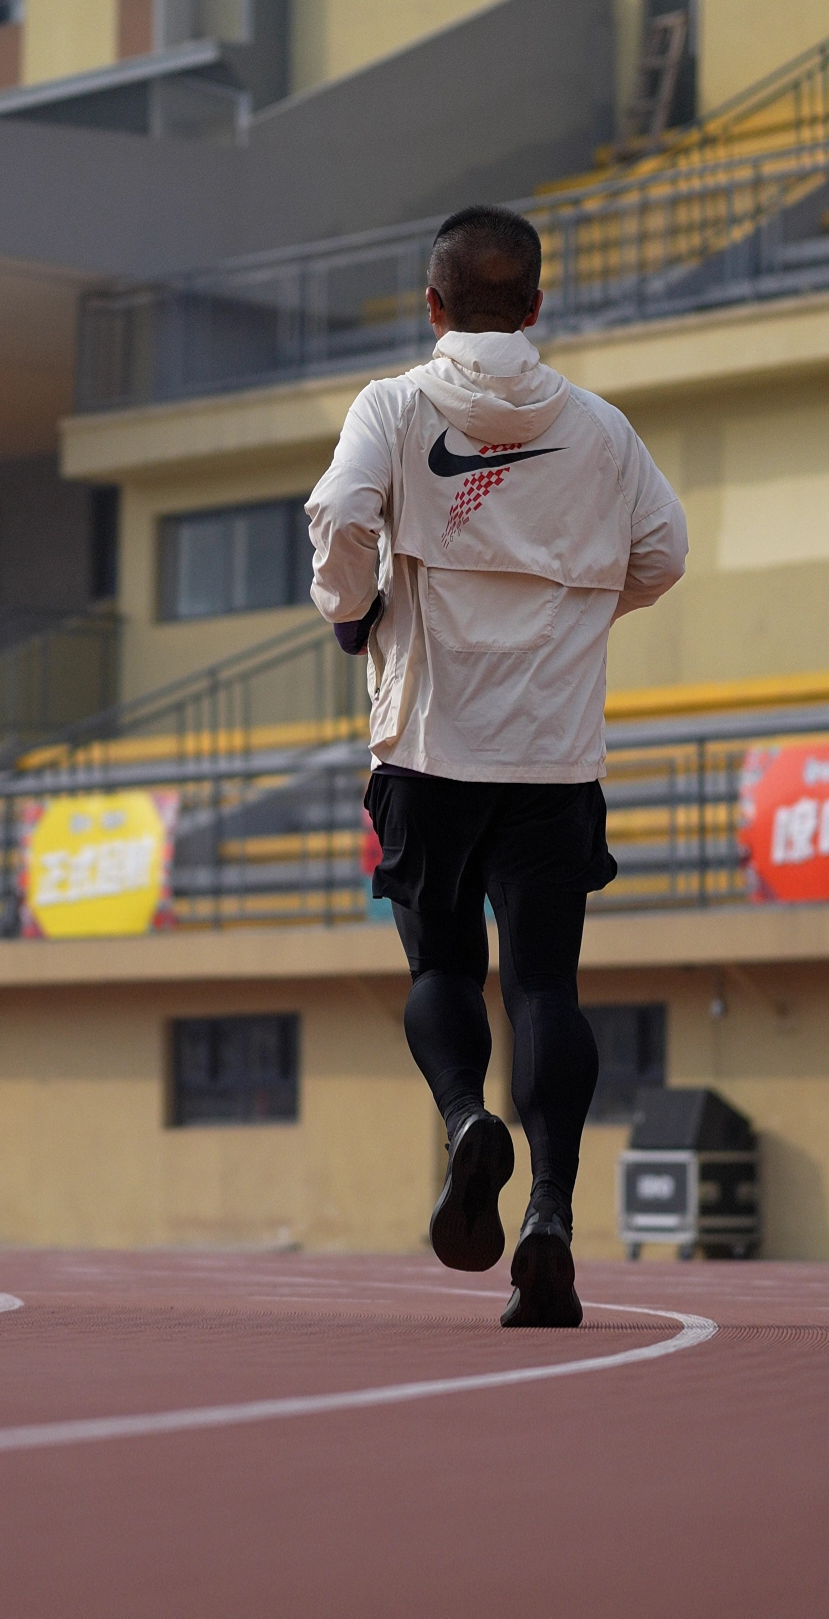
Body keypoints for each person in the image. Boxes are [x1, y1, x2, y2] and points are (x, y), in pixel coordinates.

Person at [306, 205, 687, 1326]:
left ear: (434, 306)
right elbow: (665, 552)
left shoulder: (394, 405)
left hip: (428, 750)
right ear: (534, 304)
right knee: (545, 985)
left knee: (441, 968)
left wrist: (353, 608)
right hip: (552, 758)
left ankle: (466, 1119)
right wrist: (581, 609)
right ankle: (551, 1213)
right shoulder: (601, 428)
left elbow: (341, 515)